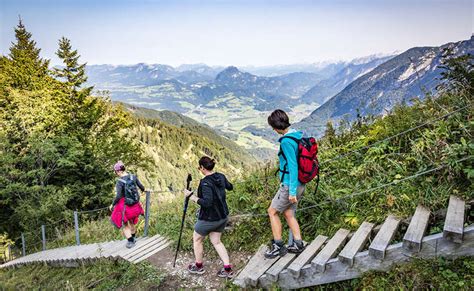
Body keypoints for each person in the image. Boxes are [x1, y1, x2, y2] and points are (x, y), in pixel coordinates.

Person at [265, 109, 306, 259]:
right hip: (300, 183)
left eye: (273, 127)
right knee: (289, 213)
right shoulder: (297, 135)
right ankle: (298, 243)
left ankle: (278, 246)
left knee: (272, 211)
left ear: (276, 127)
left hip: (290, 185)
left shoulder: (287, 141)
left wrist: (292, 192)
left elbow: (293, 165)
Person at [184, 156, 234, 278]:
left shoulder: (205, 182)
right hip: (222, 216)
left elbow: (207, 203)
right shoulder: (220, 176)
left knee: (197, 239)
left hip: (210, 218)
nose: (199, 169)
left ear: (202, 168)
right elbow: (230, 187)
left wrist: (191, 196)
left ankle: (198, 266)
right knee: (216, 241)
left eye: (199, 167)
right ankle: (227, 269)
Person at [110, 161, 145, 248]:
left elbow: (118, 196)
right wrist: (144, 191)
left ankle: (130, 242)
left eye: (116, 172)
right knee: (132, 222)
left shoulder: (119, 181)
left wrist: (112, 204)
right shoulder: (133, 176)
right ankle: (133, 238)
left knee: (125, 224)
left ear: (118, 171)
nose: (116, 173)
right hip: (134, 204)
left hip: (125, 205)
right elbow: (142, 187)